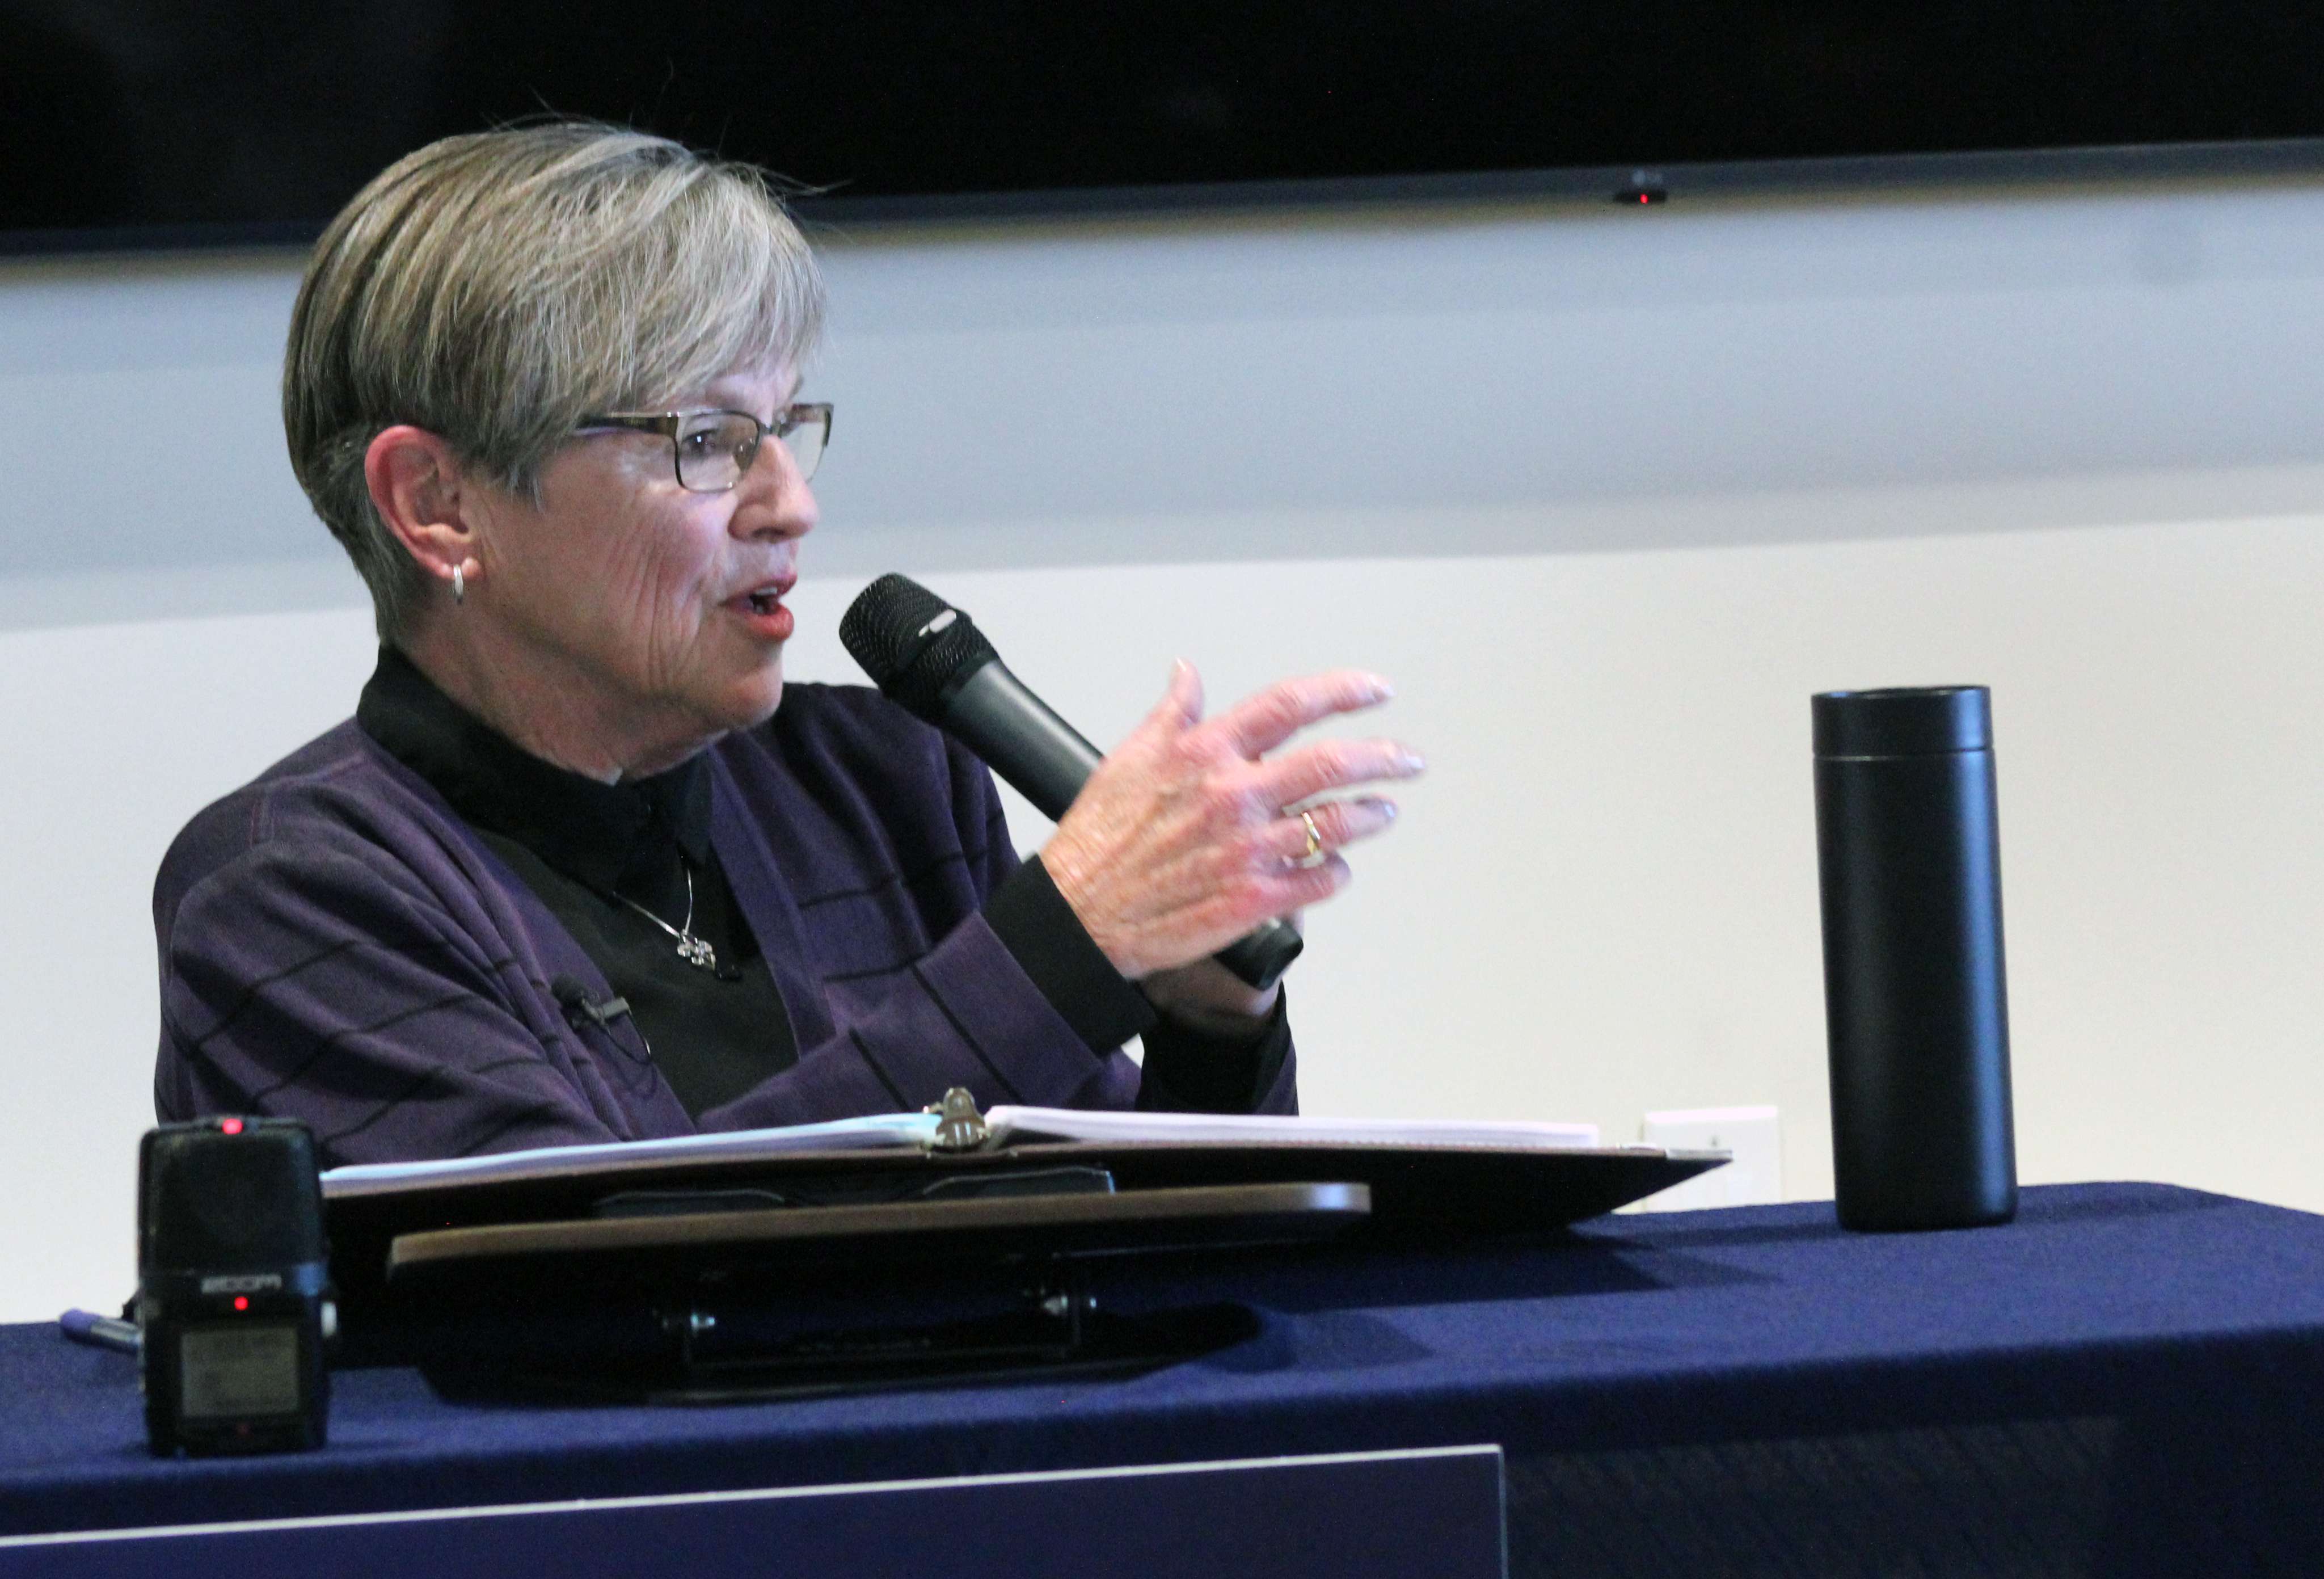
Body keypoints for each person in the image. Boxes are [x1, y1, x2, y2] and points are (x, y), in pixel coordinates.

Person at [151, 123, 1420, 1167]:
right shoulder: (289, 892)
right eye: (706, 440)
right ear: (439, 504)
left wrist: (1206, 1022)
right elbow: (577, 1270)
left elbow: (1118, 1234)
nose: (791, 503)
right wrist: (1062, 947)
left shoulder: (878, 779)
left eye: (787, 426)